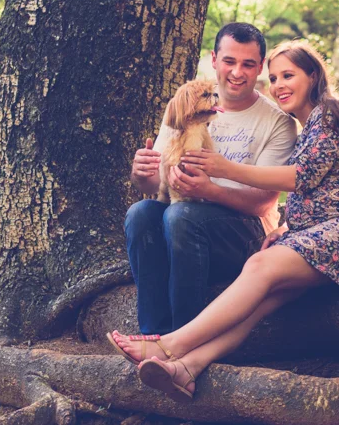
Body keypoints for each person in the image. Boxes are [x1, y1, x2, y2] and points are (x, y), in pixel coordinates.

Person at [111, 39, 339, 402]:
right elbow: (316, 193)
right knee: (263, 300)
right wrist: (287, 227)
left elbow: (300, 177)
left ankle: (169, 344)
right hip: (320, 233)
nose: (279, 86)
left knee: (259, 266)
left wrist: (224, 169)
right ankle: (186, 369)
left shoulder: (333, 112)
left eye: (288, 75)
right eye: (274, 78)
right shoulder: (307, 129)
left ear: (313, 75)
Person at [124, 23, 297, 336]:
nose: (237, 73)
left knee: (182, 215)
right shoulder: (184, 106)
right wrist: (143, 177)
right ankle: (152, 332)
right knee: (140, 213)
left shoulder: (277, 123)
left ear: (259, 68)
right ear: (214, 60)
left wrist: (210, 190)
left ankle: (182, 339)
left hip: (244, 235)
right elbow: (156, 187)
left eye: (248, 65)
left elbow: (263, 202)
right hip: (182, 225)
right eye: (230, 62)